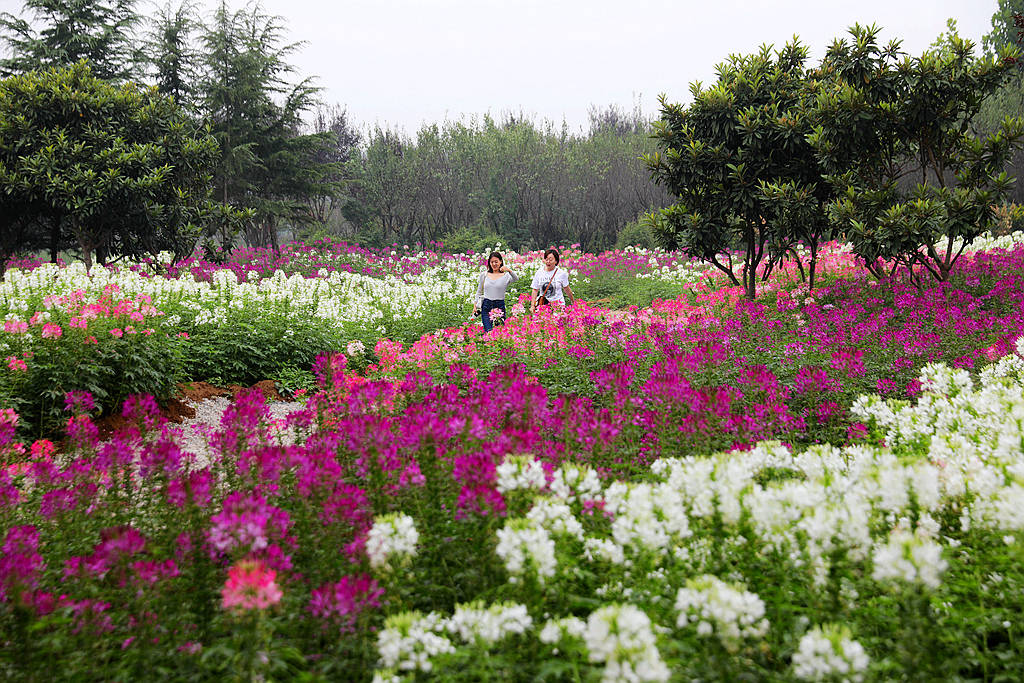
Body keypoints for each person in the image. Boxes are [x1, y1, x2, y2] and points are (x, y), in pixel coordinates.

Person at [473, 252, 517, 332]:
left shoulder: (506, 276)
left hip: (499, 305)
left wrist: (508, 270)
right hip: (486, 305)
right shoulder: (484, 275)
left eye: (496, 262)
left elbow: (516, 279)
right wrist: (475, 305)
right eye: (492, 262)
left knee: (499, 332)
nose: (494, 264)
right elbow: (479, 291)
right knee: (488, 331)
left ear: (501, 262)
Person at [530, 248, 576, 314]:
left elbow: (567, 289)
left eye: (550, 260)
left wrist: (573, 302)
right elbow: (535, 290)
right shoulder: (539, 272)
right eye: (546, 259)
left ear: (556, 261)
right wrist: (532, 305)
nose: (548, 261)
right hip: (543, 306)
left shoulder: (561, 273)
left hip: (558, 307)